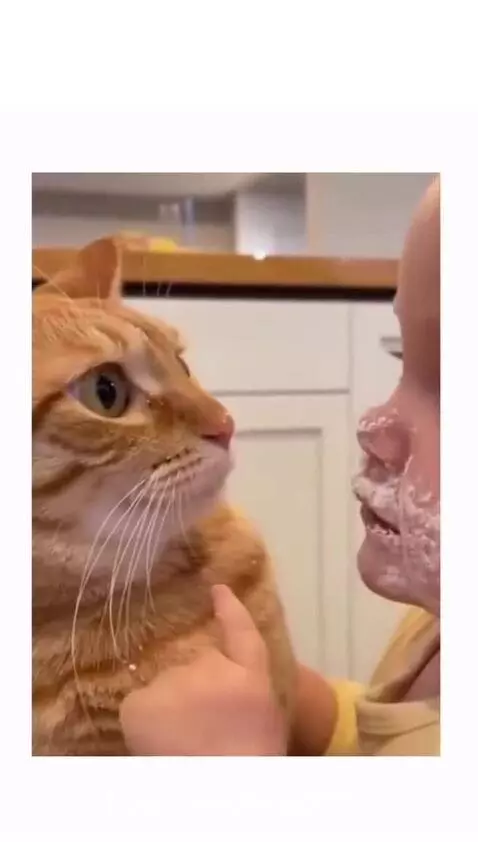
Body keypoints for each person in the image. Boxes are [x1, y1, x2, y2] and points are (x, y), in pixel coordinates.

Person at [120, 177, 440, 757]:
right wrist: (294, 699)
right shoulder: (440, 626)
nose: (374, 425)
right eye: (402, 358)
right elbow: (380, 735)